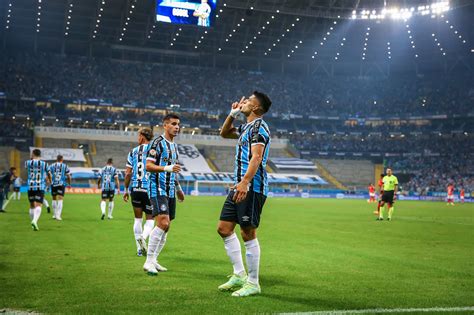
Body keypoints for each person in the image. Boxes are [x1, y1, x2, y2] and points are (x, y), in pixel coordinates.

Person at [216, 91, 272, 297]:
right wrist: (232, 114)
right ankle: (239, 274)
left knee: (248, 233)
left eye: (248, 101)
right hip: (239, 185)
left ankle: (253, 282)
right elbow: (223, 133)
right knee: (223, 228)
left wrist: (245, 182)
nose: (244, 102)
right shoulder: (246, 127)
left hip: (251, 187)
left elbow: (256, 157)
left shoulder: (259, 128)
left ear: (256, 108)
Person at [143, 114, 185, 275]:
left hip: (170, 189)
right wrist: (167, 168)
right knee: (163, 223)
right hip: (156, 187)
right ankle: (148, 261)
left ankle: (154, 260)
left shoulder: (174, 146)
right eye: (173, 124)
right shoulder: (157, 143)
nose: (177, 127)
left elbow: (174, 171)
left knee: (167, 227)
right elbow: (148, 165)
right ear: (165, 125)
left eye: (178, 124)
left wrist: (179, 189)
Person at [123, 127, 155, 257]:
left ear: (142, 136)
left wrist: (126, 189)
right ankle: (143, 237)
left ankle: (139, 249)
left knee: (137, 219)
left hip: (135, 188)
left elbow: (128, 174)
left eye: (138, 136)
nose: (137, 138)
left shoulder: (133, 152)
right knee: (150, 219)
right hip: (149, 189)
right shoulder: (154, 151)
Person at [25, 149, 51, 231]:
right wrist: (49, 181)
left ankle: (33, 223)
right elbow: (49, 174)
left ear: (32, 154)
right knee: (39, 205)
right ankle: (34, 221)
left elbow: (27, 170)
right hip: (40, 186)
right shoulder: (45, 164)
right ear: (40, 155)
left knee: (32, 205)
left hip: (30, 186)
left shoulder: (27, 163)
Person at [49, 155, 71, 220]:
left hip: (53, 184)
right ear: (62, 159)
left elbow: (49, 174)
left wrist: (50, 181)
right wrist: (69, 184)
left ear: (57, 159)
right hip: (61, 184)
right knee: (60, 199)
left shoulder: (52, 166)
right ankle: (58, 215)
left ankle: (54, 214)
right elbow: (69, 176)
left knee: (54, 199)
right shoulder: (65, 166)